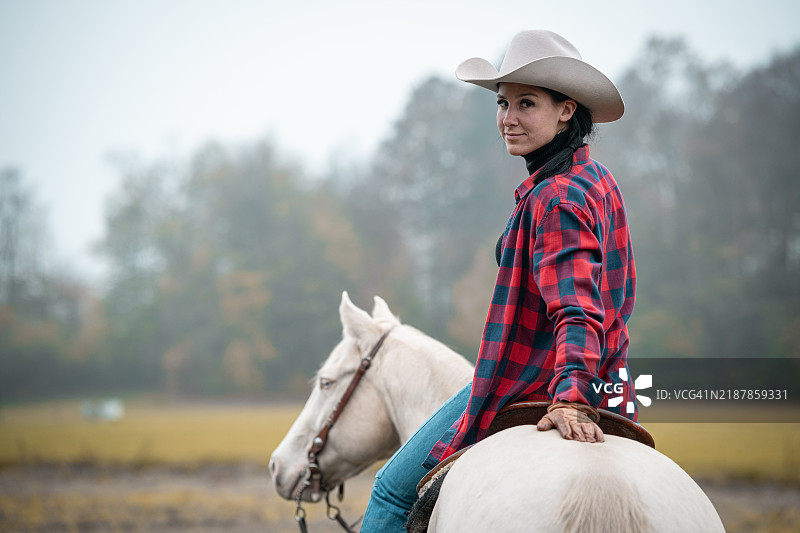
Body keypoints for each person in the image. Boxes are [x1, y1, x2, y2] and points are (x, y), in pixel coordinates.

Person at [360, 29, 639, 532]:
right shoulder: (595, 179)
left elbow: (576, 306)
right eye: (503, 103)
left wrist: (571, 393)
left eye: (526, 103)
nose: (507, 119)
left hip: (531, 379)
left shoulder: (555, 198)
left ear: (566, 109)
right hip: (612, 384)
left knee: (390, 493)